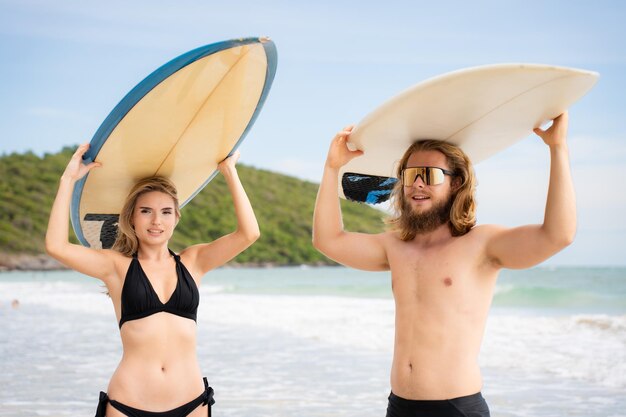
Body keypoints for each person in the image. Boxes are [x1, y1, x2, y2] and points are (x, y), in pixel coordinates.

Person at [312, 113, 575, 417]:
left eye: (430, 174)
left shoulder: (482, 244)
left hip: (456, 408)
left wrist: (558, 148)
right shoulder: (395, 246)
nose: (418, 184)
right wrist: (332, 168)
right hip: (399, 407)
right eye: (410, 175)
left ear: (456, 182)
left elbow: (558, 235)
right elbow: (328, 240)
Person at [45, 144, 260, 417]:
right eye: (146, 211)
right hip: (128, 404)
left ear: (176, 218)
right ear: (132, 219)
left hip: (191, 402)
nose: (156, 220)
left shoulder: (194, 262)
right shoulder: (116, 267)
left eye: (166, 212)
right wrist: (68, 180)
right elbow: (56, 246)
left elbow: (249, 234)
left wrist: (229, 172)